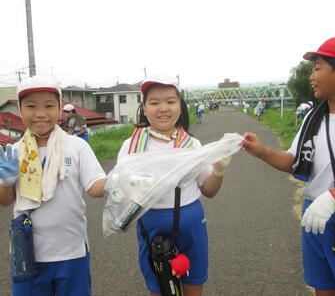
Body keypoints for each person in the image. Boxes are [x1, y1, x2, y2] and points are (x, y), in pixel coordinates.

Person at [242, 37, 335, 296]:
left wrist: (334, 197)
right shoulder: (314, 116)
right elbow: (294, 161)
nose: (311, 76)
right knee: (322, 287)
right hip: (314, 214)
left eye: (317, 68)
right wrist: (262, 152)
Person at [116, 76, 231, 296]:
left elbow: (209, 191)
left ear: (180, 105)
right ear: (144, 108)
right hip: (152, 225)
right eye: (154, 102)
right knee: (159, 287)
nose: (163, 109)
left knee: (193, 285)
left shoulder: (192, 144)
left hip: (191, 224)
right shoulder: (131, 146)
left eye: (170, 101)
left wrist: (219, 169)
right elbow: (120, 194)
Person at [0, 75, 106, 296]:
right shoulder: (14, 151)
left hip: (71, 250)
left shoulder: (76, 146)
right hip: (27, 252)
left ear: (59, 110)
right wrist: (7, 182)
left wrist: (117, 182)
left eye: (49, 105)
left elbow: (95, 187)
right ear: (20, 110)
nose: (40, 113)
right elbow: (5, 200)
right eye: (31, 106)